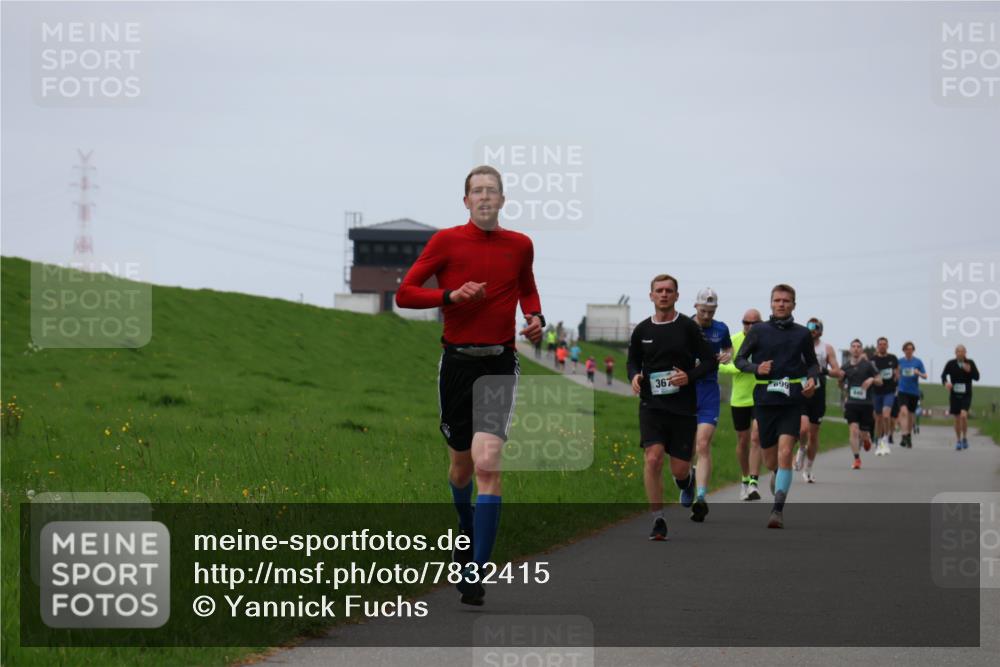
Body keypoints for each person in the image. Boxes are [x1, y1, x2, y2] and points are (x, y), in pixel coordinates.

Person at [395, 165, 544, 606]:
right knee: (461, 466)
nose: (484, 197)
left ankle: (477, 570)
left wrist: (535, 319)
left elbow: (528, 290)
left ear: (502, 200)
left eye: (491, 191)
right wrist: (450, 295)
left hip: (499, 361)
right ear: (465, 201)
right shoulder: (445, 241)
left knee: (488, 461)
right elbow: (405, 293)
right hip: (457, 364)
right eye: (476, 191)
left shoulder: (520, 245)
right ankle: (466, 528)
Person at [628, 274, 717, 539]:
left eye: (669, 291)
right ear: (651, 295)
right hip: (652, 405)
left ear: (677, 296)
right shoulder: (642, 330)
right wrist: (633, 376)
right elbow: (632, 361)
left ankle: (686, 481)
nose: (664, 294)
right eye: (659, 290)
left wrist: (688, 376)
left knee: (678, 468)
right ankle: (658, 520)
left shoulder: (688, 328)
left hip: (683, 408)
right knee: (653, 458)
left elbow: (710, 361)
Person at [735, 284, 819, 529]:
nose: (781, 304)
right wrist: (756, 368)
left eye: (787, 300)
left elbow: (813, 365)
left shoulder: (802, 334)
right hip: (765, 401)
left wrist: (812, 380)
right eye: (777, 300)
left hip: (792, 401)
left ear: (794, 304)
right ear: (771, 303)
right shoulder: (759, 330)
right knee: (770, 460)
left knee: (785, 453)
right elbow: (740, 360)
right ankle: (775, 474)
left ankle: (777, 510)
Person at [689, 288, 733, 519]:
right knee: (685, 447)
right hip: (685, 390)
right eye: (703, 310)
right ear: (695, 307)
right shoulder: (684, 326)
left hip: (708, 390)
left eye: (711, 311)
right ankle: (687, 482)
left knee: (703, 444)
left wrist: (727, 354)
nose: (707, 315)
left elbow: (728, 348)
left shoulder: (721, 328)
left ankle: (701, 496)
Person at [719, 308, 764, 500]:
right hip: (739, 398)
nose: (750, 326)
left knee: (756, 437)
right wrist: (740, 368)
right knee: (743, 441)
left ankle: (754, 483)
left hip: (761, 396)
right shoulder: (734, 340)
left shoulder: (766, 340)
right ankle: (745, 478)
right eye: (746, 322)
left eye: (755, 323)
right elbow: (720, 364)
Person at [795, 318, 843, 482]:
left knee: (814, 435)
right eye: (809, 326)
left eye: (816, 327)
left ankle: (808, 469)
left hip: (818, 392)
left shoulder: (826, 348)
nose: (812, 329)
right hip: (801, 391)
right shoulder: (799, 344)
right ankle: (801, 447)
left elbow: (838, 372)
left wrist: (823, 370)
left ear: (821, 330)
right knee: (803, 429)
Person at [841, 339, 883, 469]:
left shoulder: (868, 365)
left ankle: (866, 439)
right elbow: (840, 383)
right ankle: (857, 459)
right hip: (851, 404)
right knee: (853, 430)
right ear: (850, 350)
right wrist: (842, 385)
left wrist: (871, 379)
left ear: (861, 350)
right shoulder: (846, 366)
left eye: (858, 346)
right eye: (853, 346)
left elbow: (880, 381)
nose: (856, 349)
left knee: (863, 433)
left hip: (866, 404)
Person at [941, 345, 980, 450]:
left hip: (966, 394)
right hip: (954, 394)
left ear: (965, 353)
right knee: (957, 418)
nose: (960, 353)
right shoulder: (951, 363)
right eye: (958, 351)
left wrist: (970, 371)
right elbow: (943, 375)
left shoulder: (970, 363)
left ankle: (965, 438)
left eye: (962, 351)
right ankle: (958, 440)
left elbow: (977, 377)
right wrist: (946, 383)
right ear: (955, 353)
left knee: (963, 415)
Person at [870, 337, 899, 455]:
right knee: (878, 418)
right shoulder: (873, 360)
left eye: (884, 344)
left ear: (887, 346)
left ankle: (885, 438)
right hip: (876, 392)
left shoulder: (892, 358)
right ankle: (878, 440)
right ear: (877, 346)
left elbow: (897, 372)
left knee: (886, 415)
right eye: (880, 344)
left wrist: (897, 380)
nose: (882, 346)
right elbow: (869, 373)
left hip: (889, 391)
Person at [895, 341, 927, 449]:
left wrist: (919, 373)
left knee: (910, 415)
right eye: (907, 349)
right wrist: (897, 374)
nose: (909, 351)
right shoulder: (899, 362)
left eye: (911, 349)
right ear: (904, 350)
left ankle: (908, 435)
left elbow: (925, 376)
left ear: (913, 350)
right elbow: (896, 376)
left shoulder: (918, 362)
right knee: (903, 412)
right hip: (902, 391)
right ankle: (904, 435)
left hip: (913, 392)